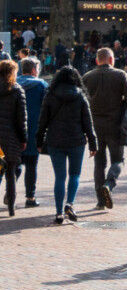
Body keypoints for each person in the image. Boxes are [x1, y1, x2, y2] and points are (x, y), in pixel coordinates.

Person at [36, 66, 97, 224]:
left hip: (55, 140)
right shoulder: (80, 96)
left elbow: (42, 121)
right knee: (75, 174)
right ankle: (69, 203)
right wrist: (92, 143)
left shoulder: (50, 95)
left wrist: (39, 141)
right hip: (77, 141)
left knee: (60, 177)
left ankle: (58, 212)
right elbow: (87, 122)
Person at [81, 48, 127, 208]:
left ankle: (100, 201)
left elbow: (82, 103)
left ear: (97, 60)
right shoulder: (120, 75)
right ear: (112, 60)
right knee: (118, 160)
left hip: (95, 127)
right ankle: (109, 184)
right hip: (115, 125)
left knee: (99, 163)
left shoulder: (87, 77)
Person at [15, 57, 46, 208]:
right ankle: (30, 197)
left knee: (15, 164)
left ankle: (11, 192)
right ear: (34, 70)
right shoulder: (41, 85)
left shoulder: (13, 84)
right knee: (32, 166)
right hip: (34, 131)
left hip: (14, 131)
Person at [0, 59, 26, 216]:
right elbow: (21, 118)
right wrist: (23, 138)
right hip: (11, 137)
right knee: (11, 172)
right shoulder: (17, 90)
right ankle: (11, 207)